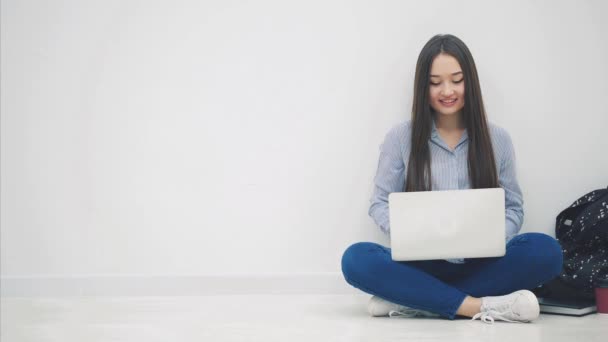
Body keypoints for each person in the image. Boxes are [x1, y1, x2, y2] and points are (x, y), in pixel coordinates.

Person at [340, 34, 563, 324]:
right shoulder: (400, 138)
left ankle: (418, 301)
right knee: (356, 259)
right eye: (435, 83)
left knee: (547, 251)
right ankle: (475, 306)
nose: (447, 90)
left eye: (456, 80)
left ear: (469, 81)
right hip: (421, 265)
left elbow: (514, 208)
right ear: (423, 87)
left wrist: (493, 237)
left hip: (482, 265)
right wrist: (410, 232)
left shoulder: (498, 139)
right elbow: (380, 203)